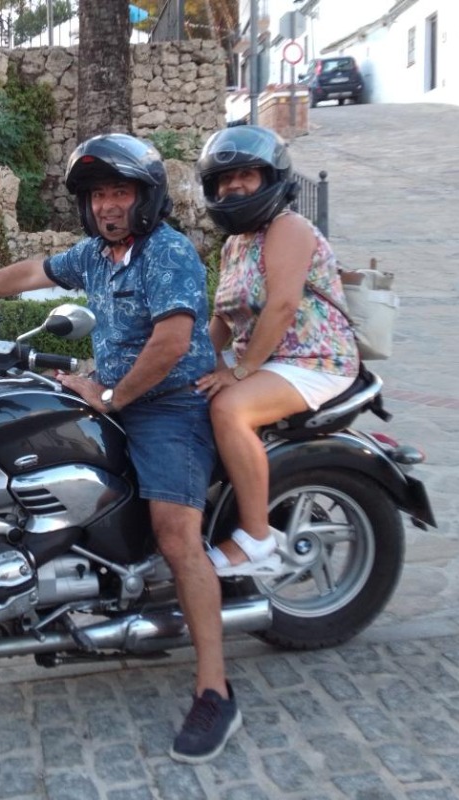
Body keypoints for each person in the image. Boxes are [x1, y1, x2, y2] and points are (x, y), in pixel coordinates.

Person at [0, 133, 240, 764]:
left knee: (176, 534)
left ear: (146, 197)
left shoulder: (167, 252)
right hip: (114, 393)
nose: (107, 205)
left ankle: (215, 690)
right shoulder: (97, 255)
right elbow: (31, 273)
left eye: (119, 192)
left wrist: (112, 394)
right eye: (97, 195)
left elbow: (173, 342)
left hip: (169, 407)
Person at [194, 125, 359, 576]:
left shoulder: (288, 228)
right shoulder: (235, 244)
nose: (234, 186)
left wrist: (240, 371)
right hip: (267, 361)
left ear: (271, 179)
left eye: (246, 175)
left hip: (313, 359)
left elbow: (283, 304)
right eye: (225, 179)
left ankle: (256, 539)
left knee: (228, 408)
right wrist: (188, 361)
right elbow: (223, 318)